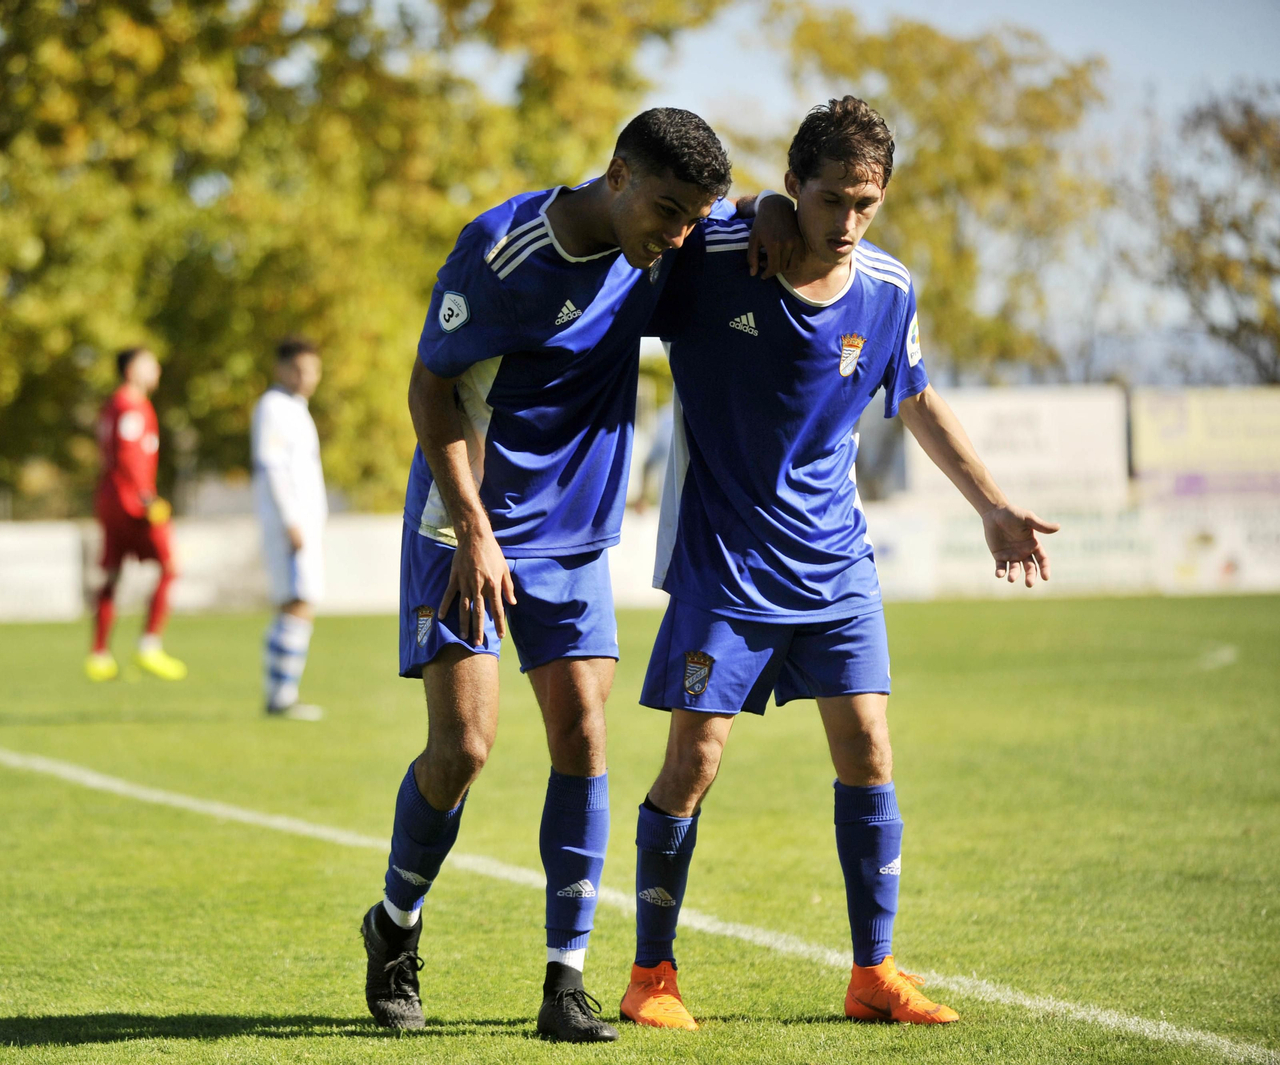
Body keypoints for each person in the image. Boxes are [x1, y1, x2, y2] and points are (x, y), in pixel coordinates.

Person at [356, 107, 801, 1043]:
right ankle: (394, 924)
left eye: (694, 219)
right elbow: (428, 388)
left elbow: (764, 226)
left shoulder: (667, 245)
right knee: (464, 751)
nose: (678, 236)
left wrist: (760, 207)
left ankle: (566, 980)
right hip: (463, 525)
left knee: (584, 730)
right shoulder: (503, 253)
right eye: (667, 212)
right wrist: (476, 528)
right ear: (617, 175)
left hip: (574, 538)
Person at [617, 96, 1060, 1031]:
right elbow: (633, 243)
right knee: (692, 762)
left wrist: (991, 504)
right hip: (724, 561)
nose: (849, 222)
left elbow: (917, 396)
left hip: (834, 565)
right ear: (791, 188)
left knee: (869, 753)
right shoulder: (717, 258)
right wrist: (743, 213)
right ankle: (652, 973)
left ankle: (874, 973)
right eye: (830, 200)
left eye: (867, 202)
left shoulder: (889, 288)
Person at [86, 346, 187, 682]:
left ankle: (99, 654)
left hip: (111, 498)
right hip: (132, 502)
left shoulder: (114, 404)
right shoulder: (130, 405)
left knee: (112, 575)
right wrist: (146, 498)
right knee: (170, 567)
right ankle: (149, 646)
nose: (157, 369)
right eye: (150, 364)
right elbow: (128, 453)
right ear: (131, 370)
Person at [251, 336, 328, 721]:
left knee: (299, 603)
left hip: (304, 525)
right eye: (298, 369)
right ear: (280, 369)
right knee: (297, 603)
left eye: (312, 369)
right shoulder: (274, 407)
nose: (306, 377)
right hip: (291, 527)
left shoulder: (297, 409)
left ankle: (281, 692)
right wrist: (291, 521)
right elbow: (273, 468)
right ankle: (280, 695)